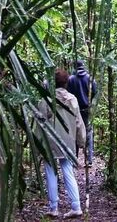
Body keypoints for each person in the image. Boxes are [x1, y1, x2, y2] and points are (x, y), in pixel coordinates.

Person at [37, 69, 86, 219]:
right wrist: (82, 141)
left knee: (51, 173)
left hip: (50, 142)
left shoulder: (45, 100)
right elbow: (79, 122)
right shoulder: (72, 99)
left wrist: (38, 145)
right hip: (68, 142)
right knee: (67, 171)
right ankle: (76, 206)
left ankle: (53, 208)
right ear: (66, 83)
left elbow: (39, 124)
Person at [67, 59, 97, 164]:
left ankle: (74, 158)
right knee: (88, 133)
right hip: (86, 110)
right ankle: (89, 160)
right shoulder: (90, 79)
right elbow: (94, 92)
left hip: (74, 111)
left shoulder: (70, 79)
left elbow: (68, 95)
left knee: (74, 133)